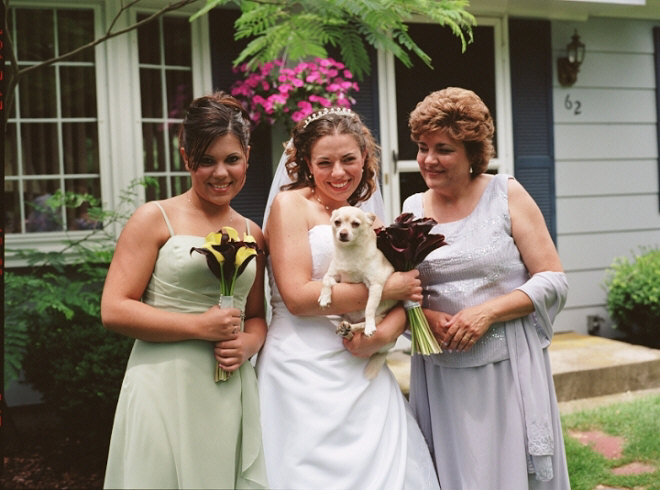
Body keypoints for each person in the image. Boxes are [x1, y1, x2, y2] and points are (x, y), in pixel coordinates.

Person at [257, 107, 440, 489]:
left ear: (364, 158)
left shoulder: (369, 216)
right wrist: (385, 289)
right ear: (307, 163)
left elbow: (403, 292)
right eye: (324, 162)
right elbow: (298, 297)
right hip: (300, 367)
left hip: (362, 364)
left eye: (348, 159)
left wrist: (384, 333)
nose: (338, 172)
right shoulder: (290, 206)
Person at [403, 87, 571, 489]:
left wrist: (487, 312)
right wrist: (425, 317)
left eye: (443, 149)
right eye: (423, 147)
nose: (428, 159)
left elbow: (552, 278)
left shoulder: (505, 194)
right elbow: (404, 292)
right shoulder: (412, 208)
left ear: (473, 153)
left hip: (507, 370)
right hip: (442, 376)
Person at [101, 92, 268, 489]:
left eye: (231, 159)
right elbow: (114, 309)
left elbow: (256, 317)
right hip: (162, 383)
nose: (220, 173)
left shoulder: (252, 232)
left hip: (227, 389)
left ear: (247, 156)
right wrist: (199, 327)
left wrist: (247, 344)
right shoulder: (154, 218)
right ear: (186, 158)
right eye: (206, 160)